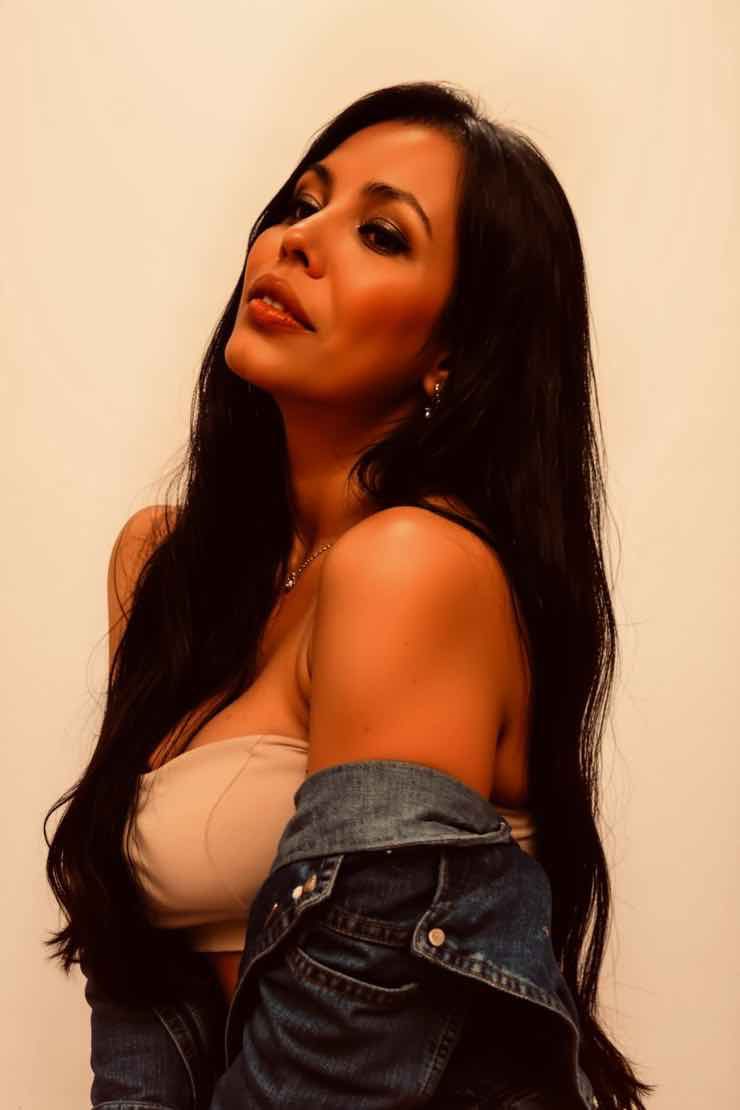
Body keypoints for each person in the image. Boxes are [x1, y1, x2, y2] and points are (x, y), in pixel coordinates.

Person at [44, 80, 654, 1108]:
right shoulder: (165, 566)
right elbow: (136, 985)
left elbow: (346, 1054)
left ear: (454, 352)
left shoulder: (410, 567)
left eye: (380, 234)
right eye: (301, 203)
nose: (297, 241)